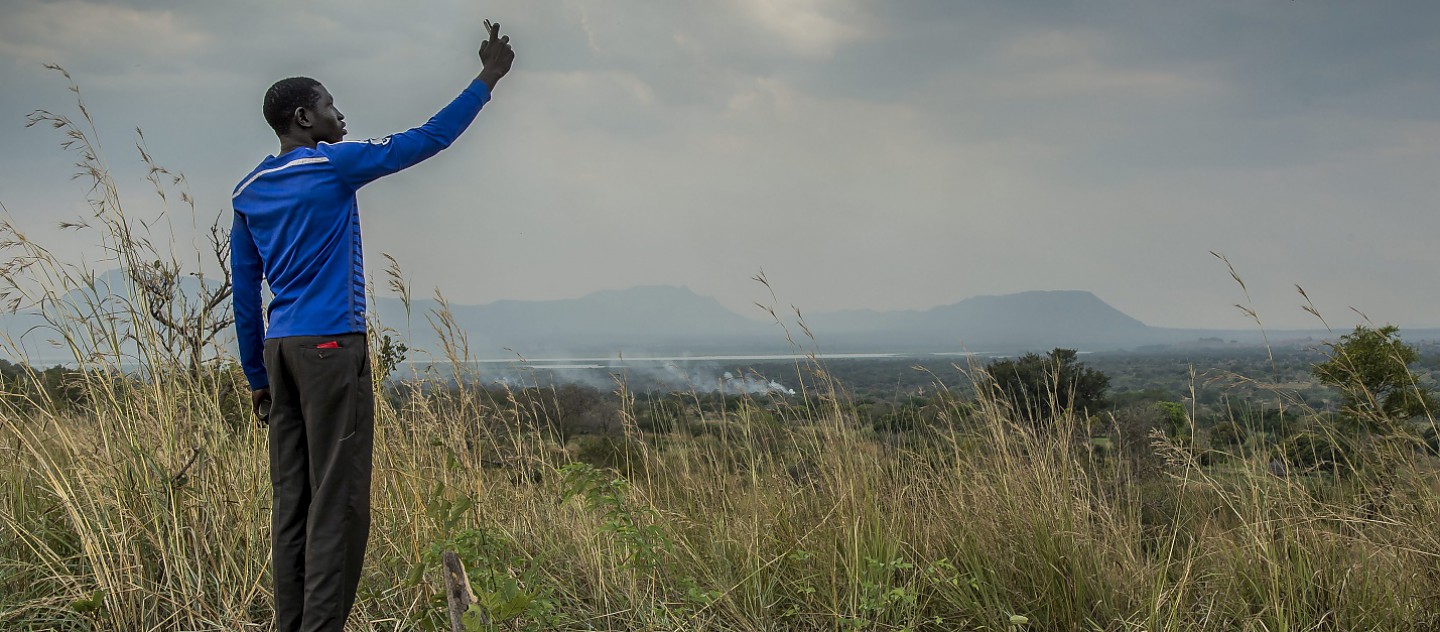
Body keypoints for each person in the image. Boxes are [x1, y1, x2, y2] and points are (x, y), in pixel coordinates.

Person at [229, 21, 514, 632]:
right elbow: (427, 138)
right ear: (304, 118)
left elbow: (245, 296)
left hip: (281, 352)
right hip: (332, 348)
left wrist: (257, 376)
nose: (341, 114)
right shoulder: (331, 167)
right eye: (331, 105)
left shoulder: (248, 190)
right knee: (339, 504)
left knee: (293, 505)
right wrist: (487, 78)